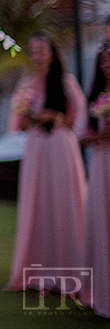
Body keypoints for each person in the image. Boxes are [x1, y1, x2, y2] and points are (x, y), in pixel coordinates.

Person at [6, 34, 88, 293]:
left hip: (60, 147)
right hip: (36, 149)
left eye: (41, 50)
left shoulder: (66, 83)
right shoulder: (26, 86)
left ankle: (70, 272)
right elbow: (16, 125)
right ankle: (36, 273)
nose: (37, 55)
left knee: (64, 203)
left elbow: (80, 119)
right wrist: (29, 115)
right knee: (37, 203)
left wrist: (55, 117)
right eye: (33, 50)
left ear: (52, 53)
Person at [82, 42, 110, 317]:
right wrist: (100, 136)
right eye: (103, 61)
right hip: (102, 164)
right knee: (102, 221)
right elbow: (83, 135)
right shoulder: (96, 96)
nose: (107, 65)